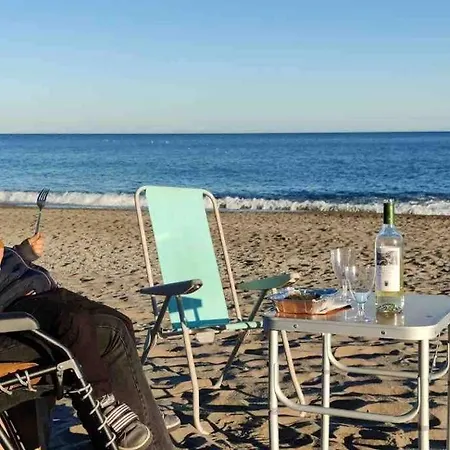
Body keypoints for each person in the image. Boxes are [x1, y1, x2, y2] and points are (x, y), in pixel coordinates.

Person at [0, 233, 174, 450]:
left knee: (117, 322)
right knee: (78, 321)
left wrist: (22, 252)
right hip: (15, 310)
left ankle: (142, 411)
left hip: (42, 293)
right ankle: (101, 406)